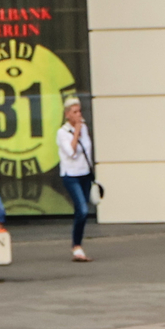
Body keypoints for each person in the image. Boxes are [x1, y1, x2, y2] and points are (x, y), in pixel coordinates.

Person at [57, 97, 97, 262]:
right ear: (67, 115)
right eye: (74, 112)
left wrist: (81, 130)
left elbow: (87, 149)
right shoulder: (62, 133)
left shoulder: (84, 128)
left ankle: (78, 244)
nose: (78, 115)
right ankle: (76, 246)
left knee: (82, 210)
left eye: (79, 111)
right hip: (70, 174)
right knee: (82, 210)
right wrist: (77, 132)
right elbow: (71, 152)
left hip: (84, 173)